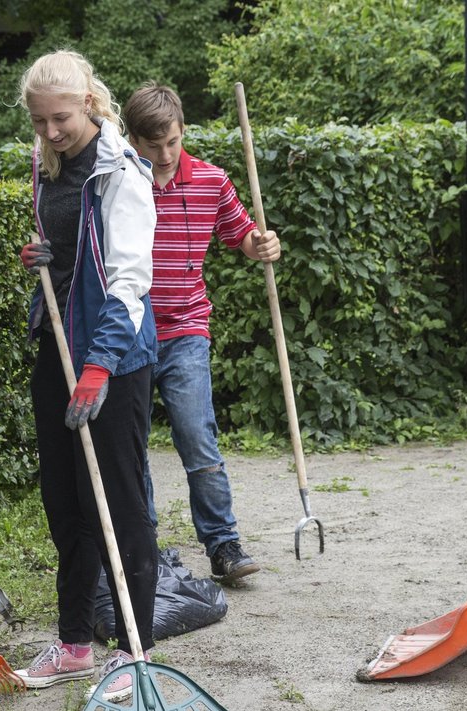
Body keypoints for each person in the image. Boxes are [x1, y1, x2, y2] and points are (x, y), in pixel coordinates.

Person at [12, 50, 160, 703]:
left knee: (121, 503)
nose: (49, 132)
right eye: (40, 121)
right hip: (58, 347)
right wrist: (45, 254)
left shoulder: (121, 173)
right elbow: (71, 255)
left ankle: (135, 649)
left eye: (60, 119)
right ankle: (75, 643)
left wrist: (99, 366)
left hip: (115, 358)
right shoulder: (48, 165)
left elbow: (129, 280)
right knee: (66, 500)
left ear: (91, 106)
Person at [121, 82, 280, 583]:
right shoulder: (120, 184)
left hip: (187, 328)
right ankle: (142, 547)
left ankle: (223, 545)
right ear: (134, 139)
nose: (165, 155)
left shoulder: (211, 180)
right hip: (129, 331)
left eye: (172, 141)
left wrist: (262, 243)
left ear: (182, 130)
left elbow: (243, 236)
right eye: (153, 145)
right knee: (132, 446)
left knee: (197, 437)